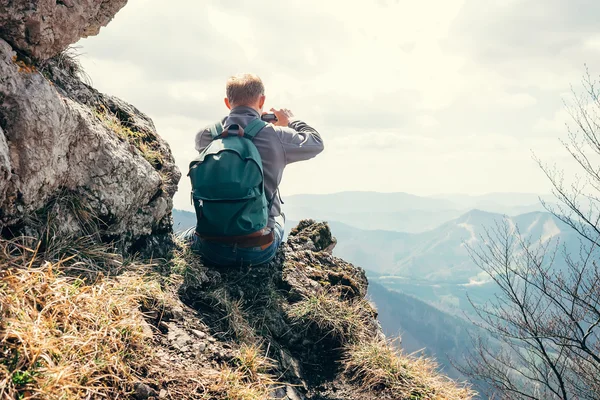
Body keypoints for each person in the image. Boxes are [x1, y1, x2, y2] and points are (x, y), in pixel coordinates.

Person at [181, 73, 324, 267]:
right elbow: (316, 142)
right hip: (257, 251)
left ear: (227, 102)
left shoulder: (206, 135)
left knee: (182, 237)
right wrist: (290, 121)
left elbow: (231, 132)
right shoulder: (276, 136)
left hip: (211, 247)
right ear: (262, 100)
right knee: (280, 217)